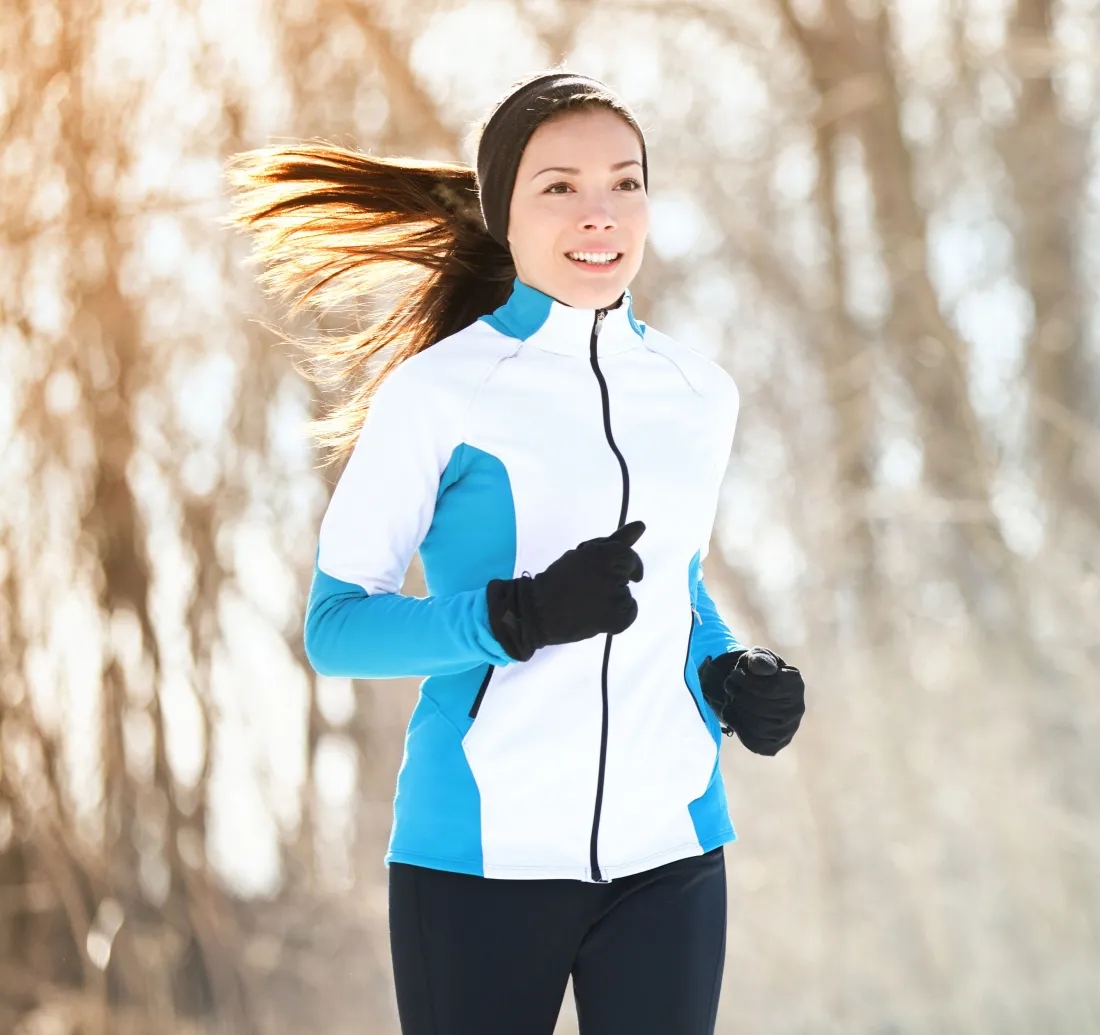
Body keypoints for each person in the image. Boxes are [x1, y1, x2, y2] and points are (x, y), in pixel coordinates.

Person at [227, 70, 806, 1034]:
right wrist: (516, 616)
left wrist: (729, 670)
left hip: (671, 850)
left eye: (626, 183)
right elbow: (335, 628)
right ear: (504, 213)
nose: (600, 212)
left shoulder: (699, 394)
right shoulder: (440, 393)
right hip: (480, 859)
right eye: (560, 186)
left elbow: (675, 588)